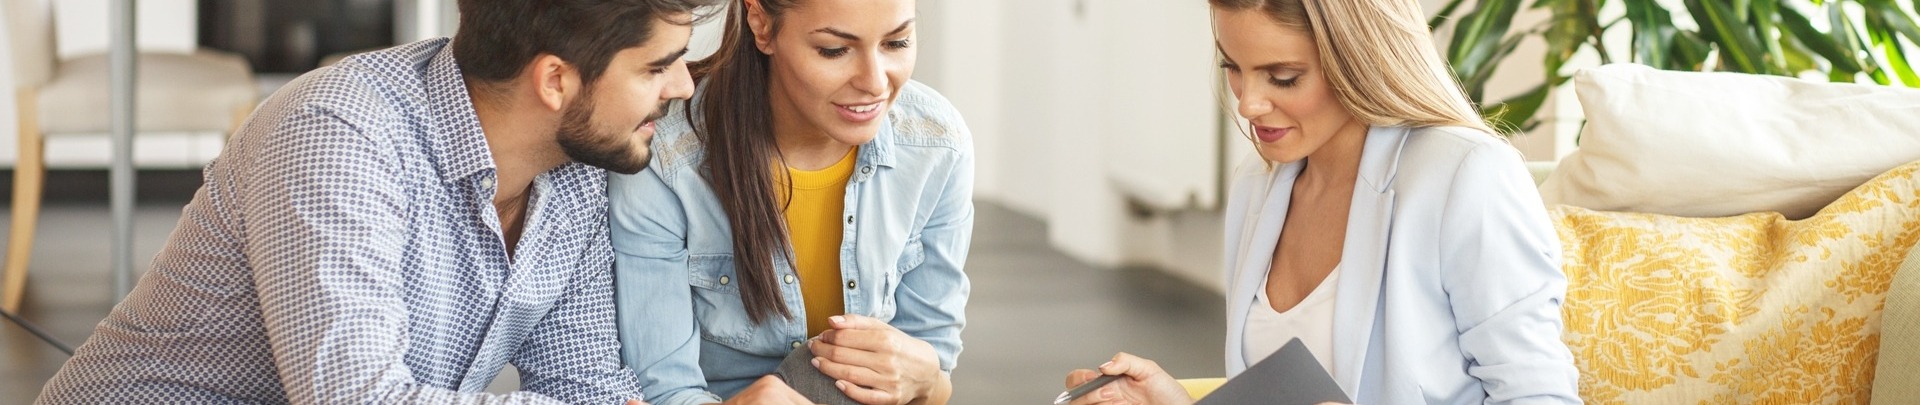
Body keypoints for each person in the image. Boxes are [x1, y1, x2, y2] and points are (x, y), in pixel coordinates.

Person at [36, 0, 718, 402]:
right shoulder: (339, 134)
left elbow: (586, 382)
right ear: (555, 81)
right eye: (657, 67)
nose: (685, 87)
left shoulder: (576, 171)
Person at [1062, 0, 1581, 404]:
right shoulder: (1259, 184)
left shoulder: (1467, 176)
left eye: (1283, 77)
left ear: (1360, 59)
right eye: (1233, 66)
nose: (1248, 103)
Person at [607, 0, 973, 403]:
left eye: (897, 43)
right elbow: (663, 391)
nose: (874, 82)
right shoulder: (665, 158)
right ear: (761, 25)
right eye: (834, 50)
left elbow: (933, 374)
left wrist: (929, 382)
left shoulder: (935, 142)